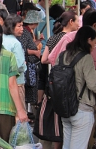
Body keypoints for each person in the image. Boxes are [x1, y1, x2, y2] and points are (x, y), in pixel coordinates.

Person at [57, 26, 96, 149]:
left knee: (67, 146)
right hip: (81, 108)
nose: (95, 46)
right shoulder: (86, 58)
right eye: (94, 43)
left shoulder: (62, 55)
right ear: (88, 40)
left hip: (64, 106)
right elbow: (94, 86)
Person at [35, 11, 79, 149]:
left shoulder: (53, 38)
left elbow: (44, 59)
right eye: (77, 21)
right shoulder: (72, 39)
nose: (79, 24)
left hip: (54, 79)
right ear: (71, 22)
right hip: (68, 81)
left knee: (55, 116)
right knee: (64, 119)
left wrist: (55, 63)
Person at [48, 9, 96, 78]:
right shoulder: (93, 44)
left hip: (58, 81)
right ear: (94, 25)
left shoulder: (68, 36)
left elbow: (51, 57)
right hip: (76, 85)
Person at [2, 14, 27, 113]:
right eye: (19, 26)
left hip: (2, 81)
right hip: (17, 82)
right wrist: (24, 65)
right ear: (11, 27)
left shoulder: (1, 39)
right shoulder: (15, 43)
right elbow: (19, 65)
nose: (22, 29)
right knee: (18, 112)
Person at [17, 10, 42, 106]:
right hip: (28, 63)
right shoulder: (25, 32)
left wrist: (38, 41)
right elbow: (23, 49)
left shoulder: (28, 31)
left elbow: (29, 46)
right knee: (28, 87)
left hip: (29, 63)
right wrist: (35, 52)